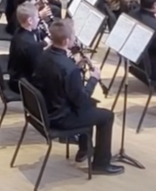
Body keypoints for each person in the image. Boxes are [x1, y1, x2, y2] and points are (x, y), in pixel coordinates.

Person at [31, 20, 124, 174]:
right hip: (60, 117)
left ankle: (85, 148)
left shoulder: (45, 55)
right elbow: (81, 100)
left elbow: (57, 78)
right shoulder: (69, 69)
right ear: (66, 41)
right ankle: (101, 164)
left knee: (93, 105)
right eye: (74, 36)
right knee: (107, 116)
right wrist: (94, 78)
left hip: (46, 109)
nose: (75, 39)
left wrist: (76, 66)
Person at [8, 3, 47, 92]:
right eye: (37, 17)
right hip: (21, 84)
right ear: (30, 21)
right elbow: (37, 69)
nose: (38, 19)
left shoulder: (19, 31)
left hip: (16, 75)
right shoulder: (29, 45)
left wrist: (43, 44)